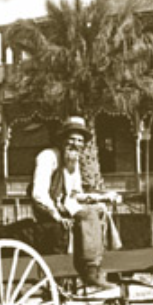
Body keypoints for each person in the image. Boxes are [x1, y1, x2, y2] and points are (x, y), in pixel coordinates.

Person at [31, 116, 117, 290]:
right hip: (47, 211)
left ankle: (111, 260)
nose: (75, 144)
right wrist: (55, 215)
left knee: (100, 210)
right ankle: (90, 270)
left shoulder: (73, 162)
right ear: (62, 140)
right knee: (88, 214)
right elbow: (38, 193)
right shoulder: (48, 157)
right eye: (71, 139)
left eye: (80, 141)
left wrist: (101, 198)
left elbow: (75, 195)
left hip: (65, 207)